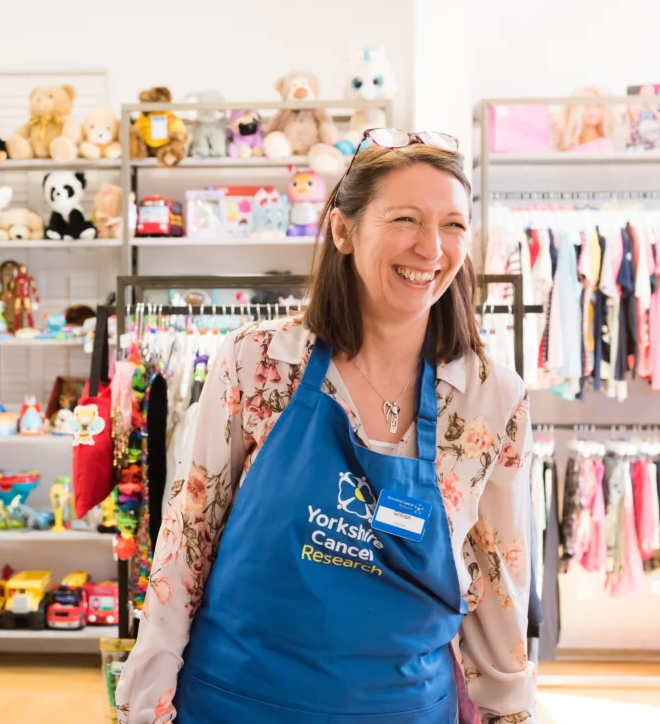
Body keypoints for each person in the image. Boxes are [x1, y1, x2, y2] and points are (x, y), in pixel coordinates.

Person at [116, 131, 536, 723]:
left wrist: (510, 712)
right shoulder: (256, 362)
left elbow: (498, 580)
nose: (430, 248)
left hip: (403, 711)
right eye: (406, 219)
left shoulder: (491, 397)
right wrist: (146, 704)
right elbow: (186, 543)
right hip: (236, 704)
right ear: (342, 230)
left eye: (453, 226)